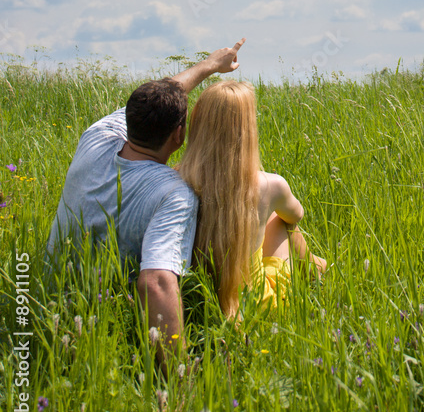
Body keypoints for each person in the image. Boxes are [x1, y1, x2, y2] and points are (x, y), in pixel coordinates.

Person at [46, 41, 245, 368]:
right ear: (179, 135)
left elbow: (163, 94)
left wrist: (209, 65)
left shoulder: (97, 136)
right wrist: (176, 382)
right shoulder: (173, 194)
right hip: (105, 326)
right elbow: (155, 282)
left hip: (49, 306)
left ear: (130, 117)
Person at [178, 80, 327, 319]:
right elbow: (296, 215)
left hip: (197, 297)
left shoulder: (177, 179)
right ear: (247, 131)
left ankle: (315, 267)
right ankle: (314, 268)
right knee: (280, 220)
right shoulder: (270, 185)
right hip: (256, 301)